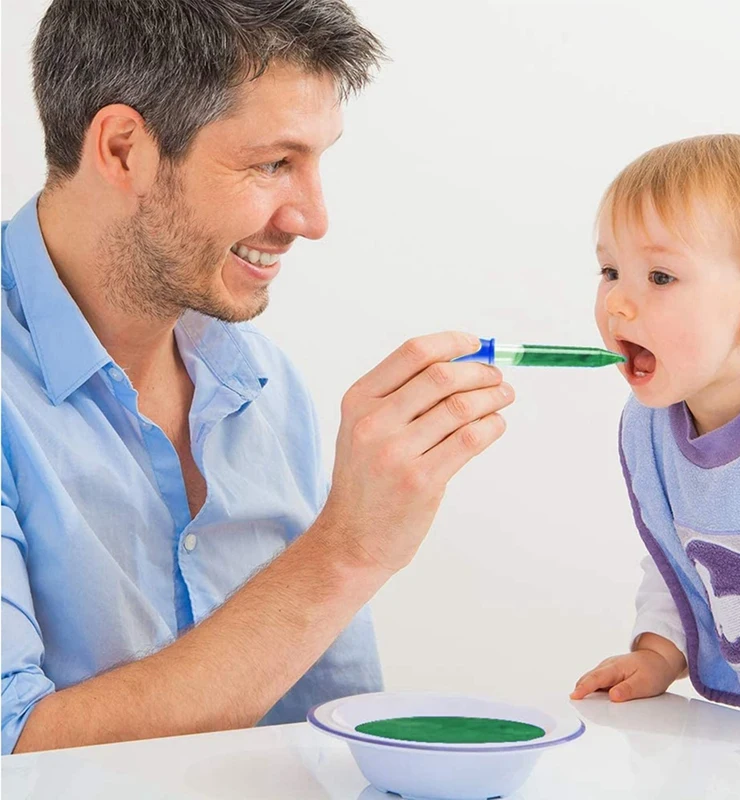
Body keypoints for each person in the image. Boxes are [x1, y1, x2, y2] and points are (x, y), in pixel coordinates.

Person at [1, 0, 515, 754]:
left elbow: (328, 737)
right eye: (274, 163)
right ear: (121, 150)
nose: (312, 217)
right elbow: (13, 753)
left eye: (316, 161)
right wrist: (348, 549)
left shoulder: (264, 387)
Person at [570, 134, 740, 763]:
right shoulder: (652, 428)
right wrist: (658, 653)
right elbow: (688, 553)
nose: (617, 301)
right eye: (610, 269)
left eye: (661, 276)